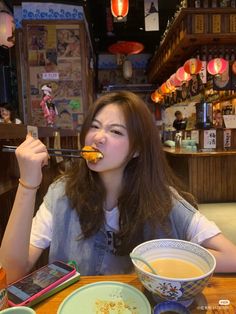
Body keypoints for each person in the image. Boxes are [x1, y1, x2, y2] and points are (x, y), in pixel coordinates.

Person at [1, 91, 236, 284]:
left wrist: (162, 261)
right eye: (94, 126)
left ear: (137, 150)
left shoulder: (162, 200)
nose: (98, 137)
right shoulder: (61, 194)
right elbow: (10, 274)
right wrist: (28, 185)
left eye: (115, 131)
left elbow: (231, 256)